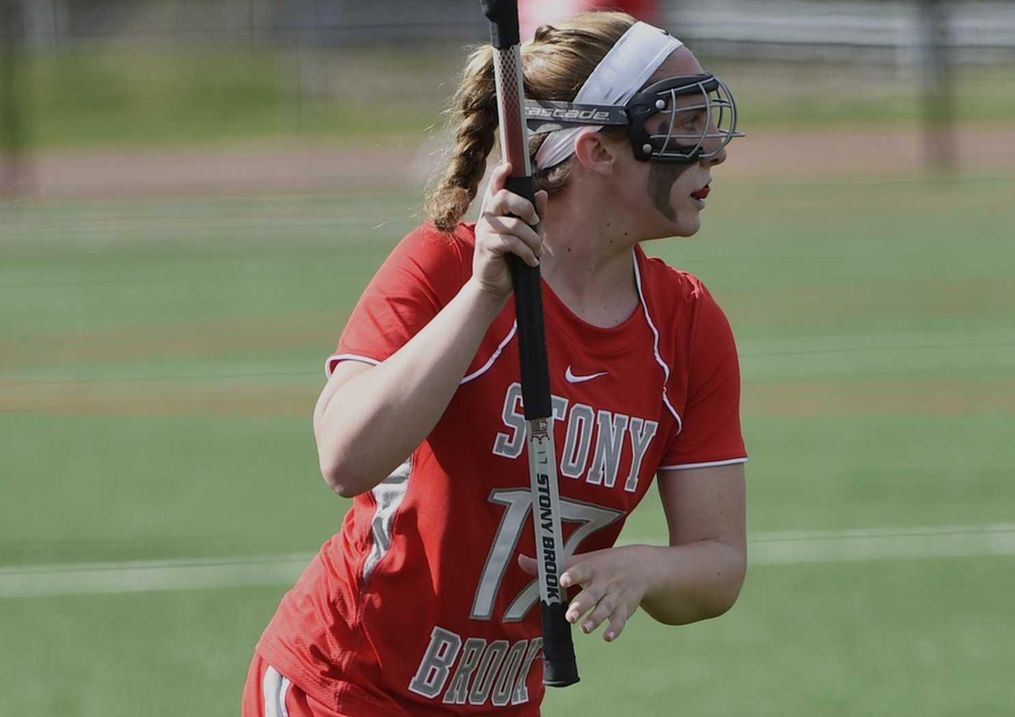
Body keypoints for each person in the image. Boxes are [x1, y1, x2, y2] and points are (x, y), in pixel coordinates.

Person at [243, 11, 747, 716]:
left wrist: (646, 568)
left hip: (499, 701)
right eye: (679, 124)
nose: (712, 151)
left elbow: (719, 561)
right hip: (343, 684)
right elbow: (344, 458)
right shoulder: (445, 263)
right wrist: (484, 295)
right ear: (597, 149)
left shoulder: (688, 326)